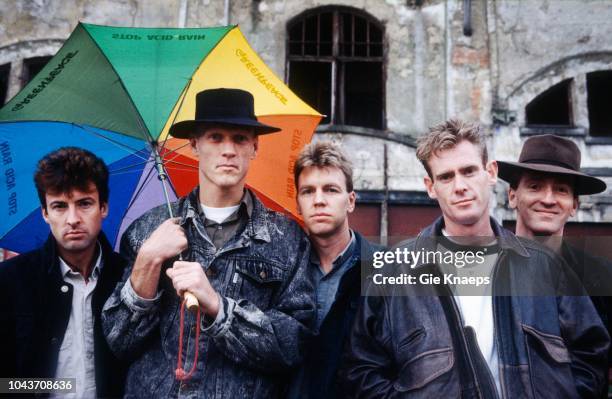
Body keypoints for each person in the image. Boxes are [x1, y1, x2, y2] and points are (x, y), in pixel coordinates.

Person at [342, 119, 609, 398]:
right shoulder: (392, 272)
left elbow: (591, 351)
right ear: (431, 187)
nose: (460, 186)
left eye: (469, 171)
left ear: (490, 172)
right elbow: (361, 369)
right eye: (446, 177)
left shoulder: (545, 265)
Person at [102, 88, 315, 398]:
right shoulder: (148, 229)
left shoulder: (286, 238)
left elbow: (294, 345)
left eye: (240, 139)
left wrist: (218, 306)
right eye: (215, 137)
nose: (228, 150)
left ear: (254, 148)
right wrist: (147, 261)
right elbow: (118, 342)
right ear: (195, 145)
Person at [0, 147, 127, 398]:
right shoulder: (11, 280)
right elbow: (4, 383)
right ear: (45, 213)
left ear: (103, 208)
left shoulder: (126, 277)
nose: (73, 219)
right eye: (59, 206)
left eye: (84, 204)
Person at [498, 133, 612, 391]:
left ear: (574, 204)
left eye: (561, 189)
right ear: (513, 196)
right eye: (535, 186)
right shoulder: (485, 268)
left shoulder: (601, 278)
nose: (548, 199)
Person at [288, 142, 379, 399]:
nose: (318, 201)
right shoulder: (283, 270)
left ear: (350, 201)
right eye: (308, 191)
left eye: (330, 190)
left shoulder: (385, 269)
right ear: (297, 203)